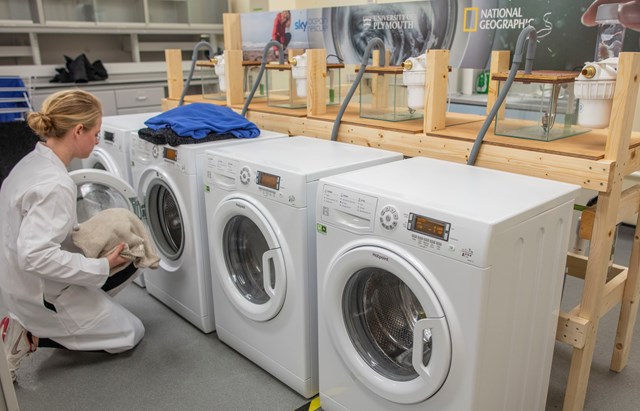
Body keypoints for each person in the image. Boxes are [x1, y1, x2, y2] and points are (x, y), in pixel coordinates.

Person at [0, 89, 144, 382]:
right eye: (96, 133)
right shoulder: (55, 184)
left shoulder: (32, 162)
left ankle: (79, 313)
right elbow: (35, 256)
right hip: (43, 293)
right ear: (78, 130)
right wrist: (102, 266)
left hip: (16, 282)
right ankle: (31, 335)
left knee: (114, 263)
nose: (97, 141)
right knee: (130, 333)